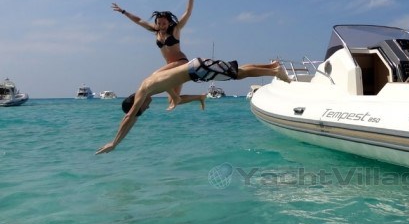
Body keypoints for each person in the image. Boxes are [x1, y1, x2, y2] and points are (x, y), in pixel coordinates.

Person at [96, 58, 291, 154]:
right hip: (196, 66)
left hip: (198, 70)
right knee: (236, 71)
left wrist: (114, 143)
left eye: (142, 109)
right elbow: (173, 73)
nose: (146, 108)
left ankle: (276, 72)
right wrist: (186, 98)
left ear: (136, 103)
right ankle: (272, 65)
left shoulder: (144, 91)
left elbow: (129, 117)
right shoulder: (151, 82)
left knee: (239, 74)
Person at [111, 0, 199, 104]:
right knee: (172, 102)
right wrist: (123, 11)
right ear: (156, 23)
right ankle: (200, 97)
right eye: (159, 23)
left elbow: (187, 13)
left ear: (169, 23)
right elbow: (139, 20)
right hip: (170, 65)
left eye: (164, 24)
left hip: (181, 63)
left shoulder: (175, 30)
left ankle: (175, 96)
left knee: (156, 75)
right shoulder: (155, 30)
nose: (162, 26)